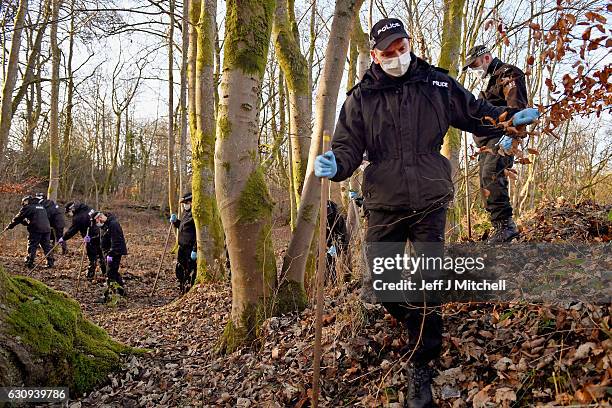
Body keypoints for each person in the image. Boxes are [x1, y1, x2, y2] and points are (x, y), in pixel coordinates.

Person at [314, 18, 539, 407]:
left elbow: (475, 112)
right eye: (389, 52)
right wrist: (337, 162)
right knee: (383, 283)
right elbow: (348, 145)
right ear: (375, 56)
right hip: (383, 201)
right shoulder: (360, 97)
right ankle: (417, 325)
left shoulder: (436, 84)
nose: (398, 56)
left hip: (430, 199)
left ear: (409, 44)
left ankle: (422, 361)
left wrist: (506, 118)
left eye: (402, 47)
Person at [463, 45, 528, 243]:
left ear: (487, 58)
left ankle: (506, 226)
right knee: (485, 183)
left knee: (492, 174)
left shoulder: (508, 74)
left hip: (502, 136)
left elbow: (516, 107)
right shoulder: (490, 82)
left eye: (475, 64)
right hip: (486, 140)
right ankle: (499, 227)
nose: (474, 69)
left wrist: (512, 135)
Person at [59, 201, 106, 280]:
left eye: (68, 212)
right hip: (101, 233)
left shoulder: (78, 217)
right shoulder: (87, 207)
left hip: (91, 237)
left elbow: (73, 230)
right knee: (102, 254)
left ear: (72, 209)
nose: (69, 215)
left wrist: (63, 238)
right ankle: (106, 273)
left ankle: (90, 275)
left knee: (92, 256)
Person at [4, 195, 54, 268]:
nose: (23, 204)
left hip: (36, 229)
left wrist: (9, 226)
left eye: (24, 202)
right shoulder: (41, 206)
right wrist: (23, 221)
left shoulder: (28, 207)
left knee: (32, 245)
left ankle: (29, 262)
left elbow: (18, 218)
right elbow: (32, 219)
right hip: (47, 229)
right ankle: (50, 262)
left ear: (26, 201)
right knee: (46, 246)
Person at [92, 211, 127, 301]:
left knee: (110, 273)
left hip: (114, 253)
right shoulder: (105, 225)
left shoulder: (113, 225)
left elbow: (116, 241)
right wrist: (90, 240)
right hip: (108, 253)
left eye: (96, 222)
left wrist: (111, 254)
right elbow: (103, 238)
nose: (97, 225)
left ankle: (107, 296)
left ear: (99, 218)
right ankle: (121, 291)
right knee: (114, 272)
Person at [169, 192, 197, 294]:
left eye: (187, 202)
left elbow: (198, 234)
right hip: (182, 248)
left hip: (190, 249)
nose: (185, 205)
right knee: (180, 269)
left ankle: (188, 290)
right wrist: (176, 221)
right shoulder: (186, 213)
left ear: (192, 202)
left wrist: (195, 250)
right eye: (184, 203)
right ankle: (182, 287)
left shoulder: (195, 215)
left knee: (189, 271)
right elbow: (183, 227)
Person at [326, 200, 348, 283]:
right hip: (323, 245)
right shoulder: (318, 218)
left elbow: (343, 236)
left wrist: (338, 246)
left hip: (336, 243)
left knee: (330, 260)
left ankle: (334, 282)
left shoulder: (338, 218)